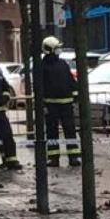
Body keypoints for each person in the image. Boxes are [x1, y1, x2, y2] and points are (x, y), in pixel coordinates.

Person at [41, 36, 79, 168]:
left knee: (70, 130)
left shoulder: (63, 64)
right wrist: (42, 105)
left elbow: (70, 82)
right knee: (52, 132)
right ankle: (53, 158)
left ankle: (74, 157)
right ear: (50, 49)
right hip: (50, 105)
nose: (59, 50)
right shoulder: (42, 66)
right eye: (57, 48)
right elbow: (39, 87)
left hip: (66, 104)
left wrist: (75, 97)